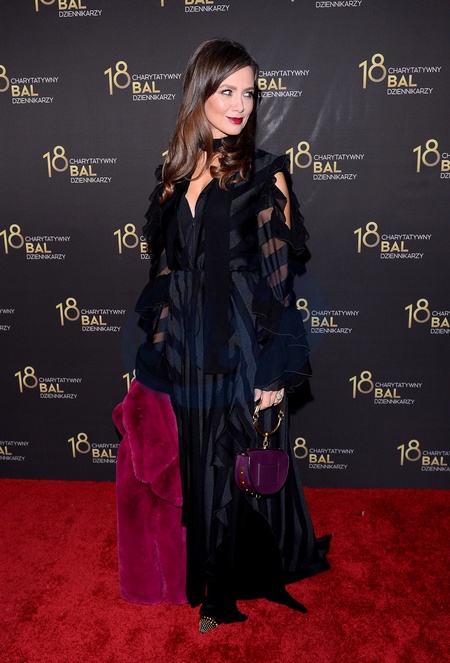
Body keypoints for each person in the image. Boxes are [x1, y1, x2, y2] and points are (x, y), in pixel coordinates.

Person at [133, 38, 330, 633]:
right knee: (202, 462)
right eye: (228, 91)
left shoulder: (266, 174)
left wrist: (275, 369)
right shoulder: (171, 176)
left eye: (249, 93)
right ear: (200, 94)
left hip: (245, 343)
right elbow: (166, 274)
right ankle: (211, 573)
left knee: (234, 460)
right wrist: (155, 355)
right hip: (189, 348)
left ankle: (225, 593)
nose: (241, 104)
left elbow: (279, 282)